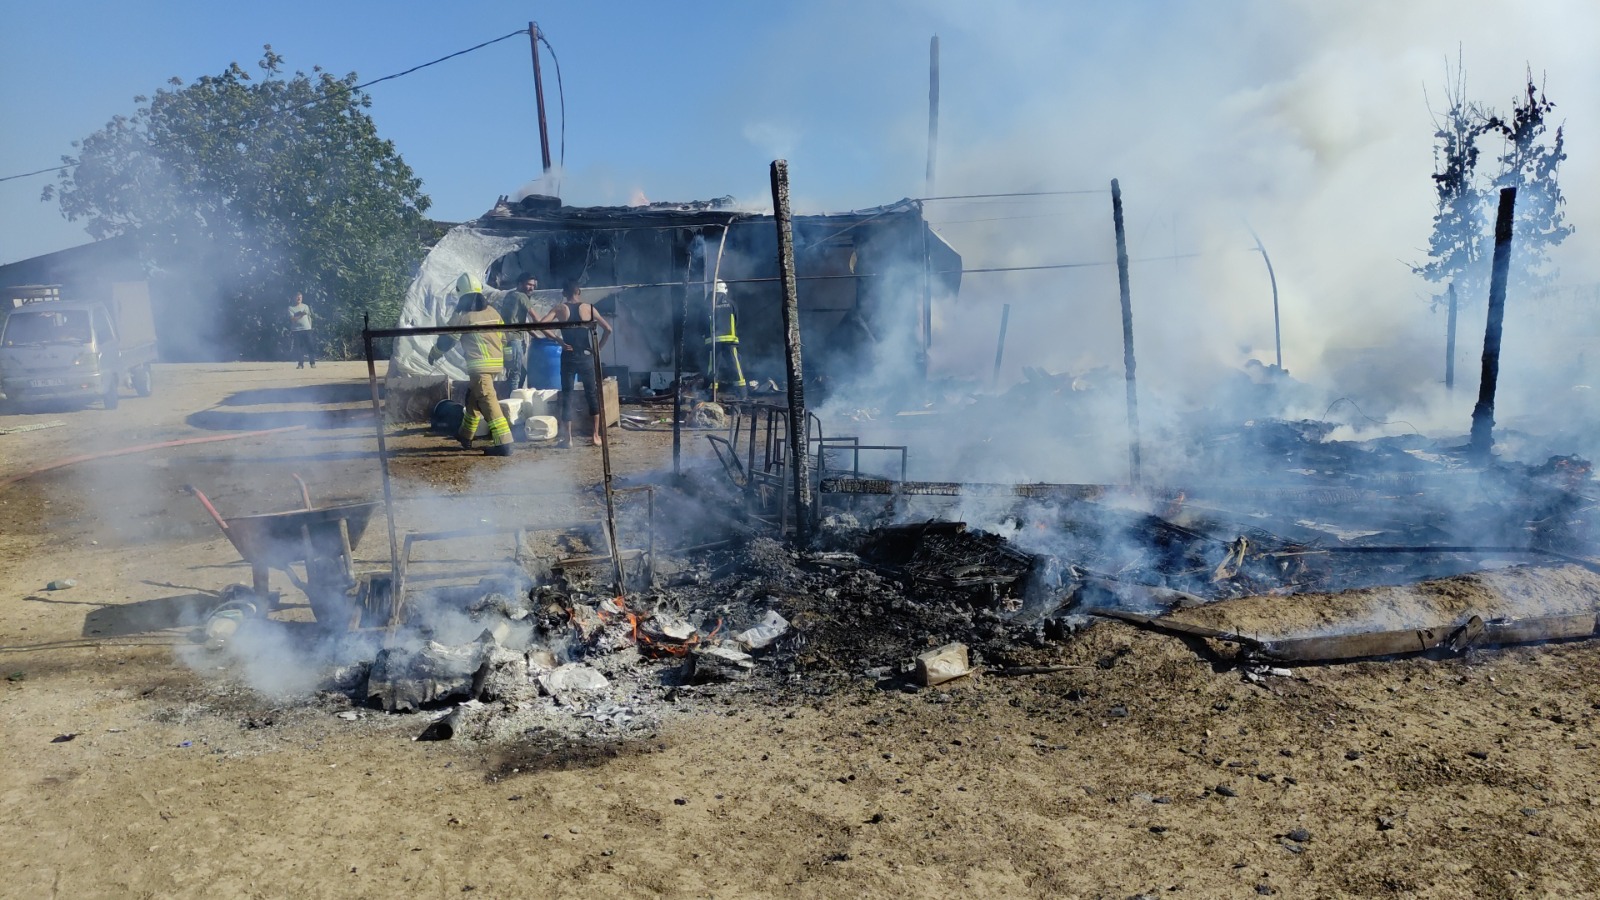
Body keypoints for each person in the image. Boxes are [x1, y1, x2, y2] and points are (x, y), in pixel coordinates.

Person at [428, 273, 514, 457]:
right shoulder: (492, 312)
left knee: (488, 402)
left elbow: (447, 341)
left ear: (462, 295)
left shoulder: (464, 317)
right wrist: (508, 360)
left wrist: (434, 353)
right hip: (495, 365)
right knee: (473, 399)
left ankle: (504, 443)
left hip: (479, 367)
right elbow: (505, 338)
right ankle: (465, 435)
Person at [544, 280, 613, 447]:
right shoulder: (589, 308)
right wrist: (598, 348)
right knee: (592, 394)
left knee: (567, 395)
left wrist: (558, 340)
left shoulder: (560, 308)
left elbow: (542, 325)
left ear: (564, 293)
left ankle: (568, 439)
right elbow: (608, 329)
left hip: (568, 356)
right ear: (579, 292)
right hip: (586, 356)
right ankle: (595, 436)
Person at [498, 274, 540, 391]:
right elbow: (536, 319)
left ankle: (510, 396)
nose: (531, 288)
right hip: (514, 340)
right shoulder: (522, 296)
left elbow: (519, 324)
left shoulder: (509, 295)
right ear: (520, 284)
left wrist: (537, 336)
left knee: (516, 372)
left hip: (506, 340)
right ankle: (512, 401)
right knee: (515, 375)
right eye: (528, 284)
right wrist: (552, 335)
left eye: (533, 285)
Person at [287, 292, 316, 369]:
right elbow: (293, 319)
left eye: (300, 297)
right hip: (296, 330)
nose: (299, 298)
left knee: (310, 346)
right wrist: (301, 314)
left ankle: (312, 363)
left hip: (307, 329)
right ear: (294, 298)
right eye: (297, 297)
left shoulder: (305, 306)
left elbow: (309, 317)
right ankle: (300, 364)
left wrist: (310, 326)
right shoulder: (291, 308)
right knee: (299, 348)